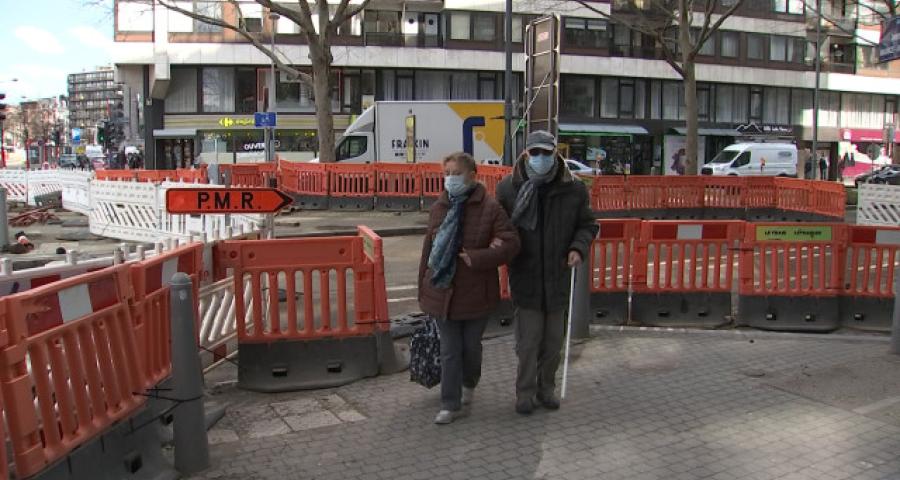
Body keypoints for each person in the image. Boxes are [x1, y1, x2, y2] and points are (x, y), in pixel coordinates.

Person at [496, 130, 598, 415]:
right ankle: (525, 393)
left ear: (556, 153)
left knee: (553, 342)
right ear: (526, 154)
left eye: (546, 152)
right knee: (528, 342)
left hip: (558, 277)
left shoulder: (573, 188)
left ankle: (547, 390)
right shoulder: (508, 188)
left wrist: (578, 248)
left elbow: (588, 225)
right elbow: (500, 228)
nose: (540, 158)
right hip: (525, 276)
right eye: (535, 153)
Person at [418, 151, 520, 425]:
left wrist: (478, 257)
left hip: (476, 294)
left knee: (470, 349)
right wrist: (423, 289)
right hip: (443, 293)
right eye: (446, 174)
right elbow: (428, 251)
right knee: (450, 351)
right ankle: (450, 404)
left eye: (456, 173)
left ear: (473, 176)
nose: (450, 179)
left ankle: (469, 384)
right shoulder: (439, 207)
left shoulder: (490, 208)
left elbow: (510, 243)